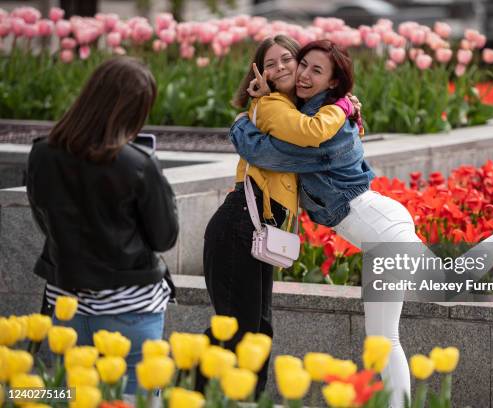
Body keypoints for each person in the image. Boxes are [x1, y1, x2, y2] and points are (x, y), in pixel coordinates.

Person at [230, 40, 493, 407]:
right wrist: (264, 99)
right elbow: (282, 122)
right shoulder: (311, 115)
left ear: (333, 83)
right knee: (384, 340)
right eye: (303, 64)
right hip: (371, 230)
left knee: (445, 290)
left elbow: (263, 151)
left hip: (381, 226)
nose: (303, 74)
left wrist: (240, 125)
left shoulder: (329, 128)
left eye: (316, 71)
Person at [200, 35, 358, 395]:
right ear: (260, 74)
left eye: (290, 59)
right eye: (271, 64)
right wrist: (343, 107)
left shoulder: (292, 109)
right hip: (239, 223)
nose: (284, 68)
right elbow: (310, 134)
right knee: (241, 330)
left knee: (257, 328)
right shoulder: (272, 107)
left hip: (254, 226)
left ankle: (242, 398)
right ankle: (190, 389)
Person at [26, 57, 179, 394]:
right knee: (132, 399)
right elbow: (164, 236)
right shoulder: (138, 163)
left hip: (65, 298)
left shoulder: (41, 154)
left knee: (72, 396)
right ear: (134, 110)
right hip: (129, 304)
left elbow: (43, 216)